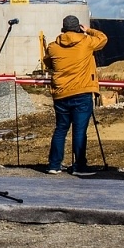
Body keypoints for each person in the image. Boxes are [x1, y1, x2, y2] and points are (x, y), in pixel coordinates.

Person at [44, 15, 108, 176]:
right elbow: (103, 38)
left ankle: (54, 165)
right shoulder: (86, 42)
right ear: (77, 28)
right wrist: (88, 30)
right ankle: (79, 165)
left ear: (63, 29)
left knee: (60, 129)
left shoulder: (53, 47)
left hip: (61, 94)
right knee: (79, 131)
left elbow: (48, 62)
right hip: (82, 92)